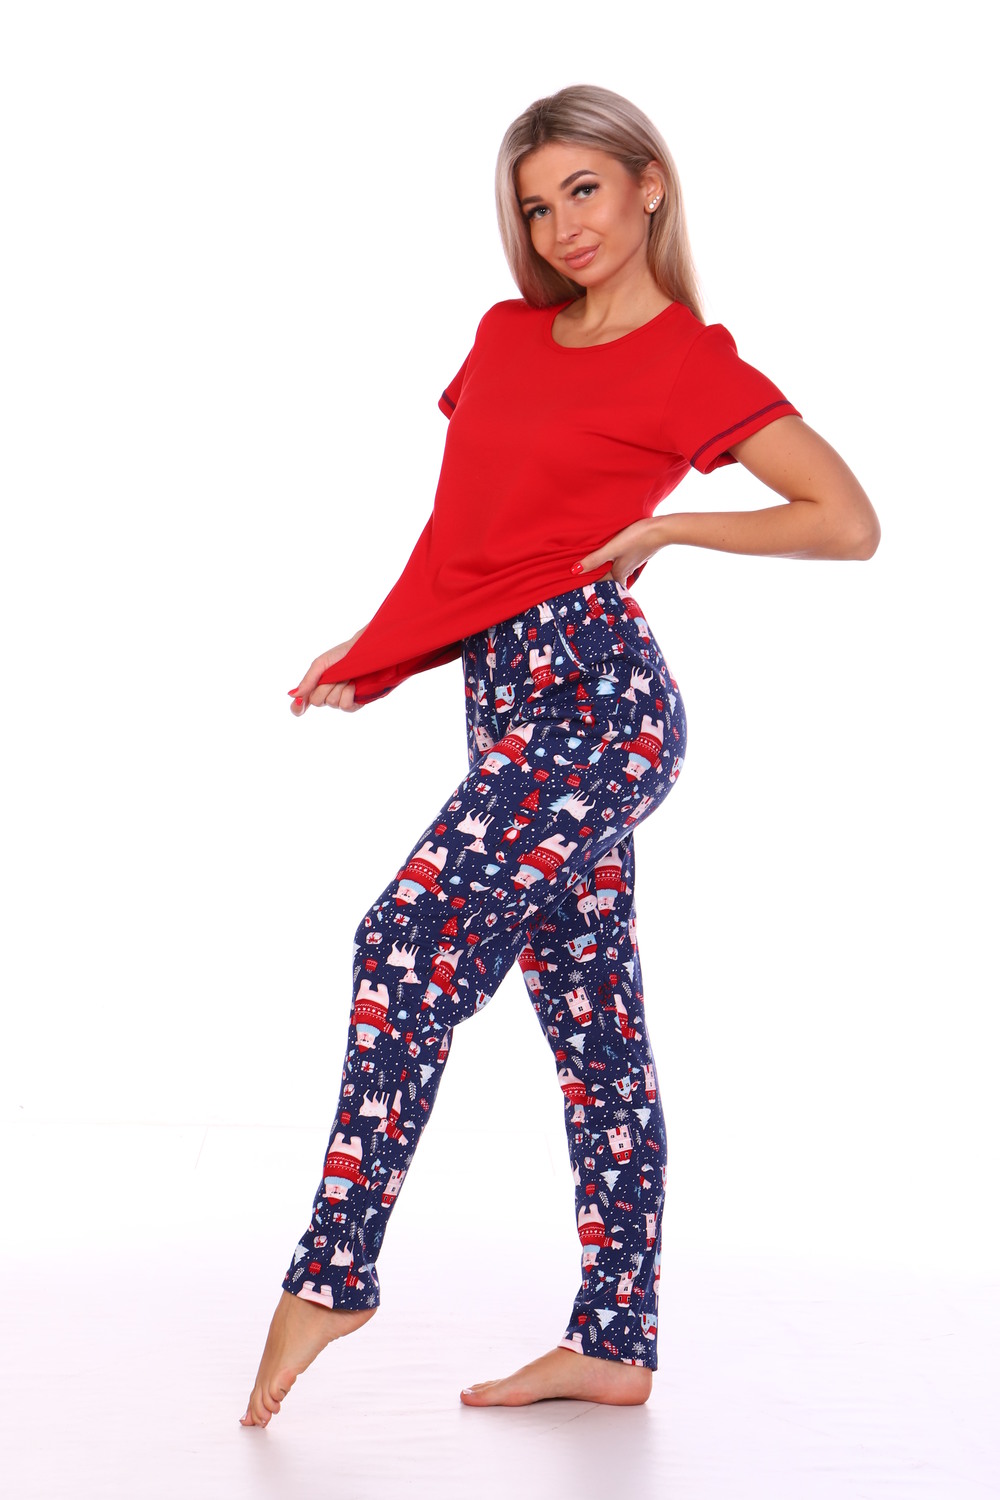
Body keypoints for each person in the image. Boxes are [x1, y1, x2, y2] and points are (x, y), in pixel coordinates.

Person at [240, 83, 880, 1428]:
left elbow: (844, 519)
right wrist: (384, 647)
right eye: (536, 207)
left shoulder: (692, 363)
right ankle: (614, 1342)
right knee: (595, 1025)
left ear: (650, 183)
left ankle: (336, 1270)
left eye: (584, 190)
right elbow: (468, 532)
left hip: (601, 706)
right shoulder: (506, 336)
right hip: (506, 700)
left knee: (403, 939)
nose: (560, 226)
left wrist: (675, 528)